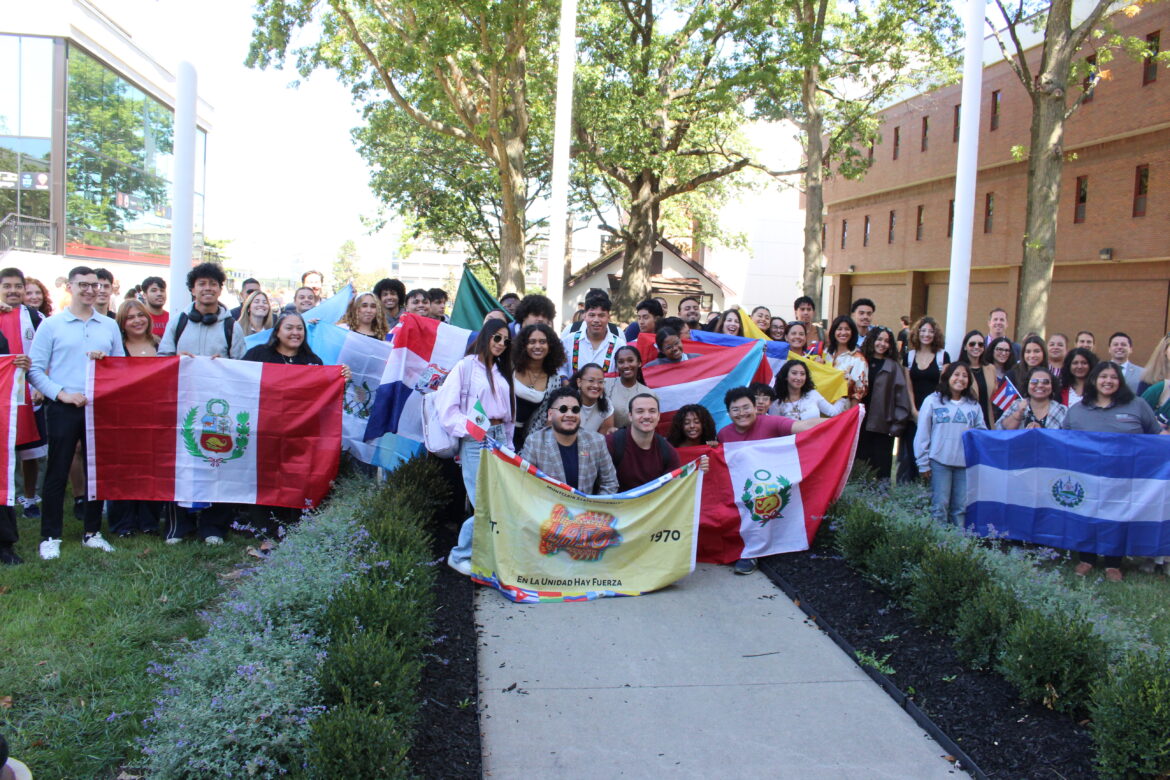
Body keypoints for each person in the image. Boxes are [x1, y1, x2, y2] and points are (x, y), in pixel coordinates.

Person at [28, 266, 125, 560]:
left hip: (99, 407)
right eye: (82, 284)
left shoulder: (108, 325)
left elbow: (120, 367)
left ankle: (92, 532)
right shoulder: (52, 325)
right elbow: (34, 369)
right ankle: (50, 536)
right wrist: (62, 394)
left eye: (94, 285)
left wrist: (105, 361)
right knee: (57, 471)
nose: (89, 290)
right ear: (70, 287)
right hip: (63, 405)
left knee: (97, 472)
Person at [157, 262, 247, 546]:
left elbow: (245, 368)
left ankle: (214, 527)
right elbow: (161, 360)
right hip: (183, 405)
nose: (207, 288)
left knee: (217, 461)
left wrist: (227, 367)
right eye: (201, 284)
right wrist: (176, 361)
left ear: (220, 289)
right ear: (192, 289)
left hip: (219, 409)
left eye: (213, 284)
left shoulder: (232, 326)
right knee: (181, 462)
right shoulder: (178, 321)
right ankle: (178, 526)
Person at [1064, 361, 1164, 582]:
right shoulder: (1078, 410)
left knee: (1118, 517)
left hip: (1125, 478)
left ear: (1120, 381)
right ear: (1093, 380)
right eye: (1103, 377)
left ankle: (1113, 563)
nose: (1108, 381)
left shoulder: (1137, 405)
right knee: (1087, 515)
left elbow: (1156, 438)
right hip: (1086, 477)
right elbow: (1063, 442)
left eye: (1113, 377)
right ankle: (1087, 559)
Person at [718, 387, 825, 574]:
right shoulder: (724, 435)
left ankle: (751, 553)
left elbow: (805, 426)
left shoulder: (772, 423)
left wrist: (842, 420)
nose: (742, 413)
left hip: (773, 487)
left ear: (756, 407)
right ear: (728, 413)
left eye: (746, 407)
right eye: (736, 409)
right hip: (743, 490)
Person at [441, 319, 516, 576]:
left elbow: (508, 416)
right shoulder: (465, 367)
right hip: (476, 438)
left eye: (506, 341)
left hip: (499, 438)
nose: (501, 344)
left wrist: (509, 446)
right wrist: (470, 430)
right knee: (484, 502)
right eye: (497, 338)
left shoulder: (501, 371)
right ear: (485, 336)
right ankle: (460, 553)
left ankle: (479, 554)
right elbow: (447, 408)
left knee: (498, 500)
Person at [914, 362, 985, 527]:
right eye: (956, 374)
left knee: (960, 508)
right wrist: (923, 463)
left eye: (965, 376)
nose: (960, 379)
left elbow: (981, 434)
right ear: (948, 377)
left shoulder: (973, 405)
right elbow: (923, 433)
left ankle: (957, 546)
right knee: (940, 506)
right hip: (939, 461)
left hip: (964, 464)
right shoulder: (933, 401)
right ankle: (937, 545)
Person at [520, 385, 618, 496]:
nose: (570, 415)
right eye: (563, 409)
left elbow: (610, 483)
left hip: (585, 511)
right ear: (550, 414)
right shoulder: (534, 442)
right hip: (547, 510)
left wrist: (593, 509)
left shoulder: (596, 441)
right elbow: (524, 482)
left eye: (575, 410)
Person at [899, 316, 950, 483]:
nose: (927, 334)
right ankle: (910, 492)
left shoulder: (943, 357)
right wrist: (914, 411)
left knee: (933, 453)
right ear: (917, 333)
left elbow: (943, 387)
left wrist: (929, 414)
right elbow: (908, 386)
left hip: (935, 412)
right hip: (914, 413)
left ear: (936, 334)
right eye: (923, 330)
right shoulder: (909, 356)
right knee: (912, 454)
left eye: (930, 331)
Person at [856, 326, 910, 480]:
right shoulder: (860, 362)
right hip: (860, 424)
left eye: (886, 341)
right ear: (871, 340)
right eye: (879, 339)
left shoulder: (893, 367)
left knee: (881, 473)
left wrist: (897, 425)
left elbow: (902, 398)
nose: (882, 344)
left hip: (883, 427)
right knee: (859, 470)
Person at [606, 393, 681, 492]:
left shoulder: (668, 452)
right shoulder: (610, 444)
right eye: (640, 411)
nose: (646, 416)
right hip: (615, 505)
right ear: (630, 416)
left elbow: (672, 492)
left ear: (658, 416)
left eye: (652, 411)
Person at [511, 322, 565, 451]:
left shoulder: (554, 380)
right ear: (524, 345)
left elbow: (549, 417)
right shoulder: (510, 368)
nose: (537, 346)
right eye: (532, 341)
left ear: (550, 346)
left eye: (542, 342)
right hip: (498, 432)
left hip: (528, 440)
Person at [560, 291, 625, 378]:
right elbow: (560, 368)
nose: (596, 320)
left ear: (608, 317)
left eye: (601, 315)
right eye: (592, 315)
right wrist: (565, 382)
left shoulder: (619, 345)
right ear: (585, 316)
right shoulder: (568, 341)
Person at [995, 366, 1068, 430]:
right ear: (1027, 385)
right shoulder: (1016, 405)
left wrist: (1042, 432)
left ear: (1052, 386)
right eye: (1034, 381)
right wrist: (1019, 413)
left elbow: (1066, 439)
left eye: (1045, 382)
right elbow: (999, 430)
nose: (1040, 385)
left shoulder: (1061, 410)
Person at [771, 359, 843, 420]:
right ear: (785, 376)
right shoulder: (777, 402)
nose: (799, 378)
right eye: (794, 373)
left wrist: (843, 394)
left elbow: (833, 412)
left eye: (802, 374)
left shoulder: (812, 394)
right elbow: (773, 428)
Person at [243, 312, 325, 365]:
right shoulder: (257, 355)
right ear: (277, 332)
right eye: (289, 328)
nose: (295, 333)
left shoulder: (314, 362)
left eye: (300, 328)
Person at [824, 314, 868, 403]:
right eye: (839, 329)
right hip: (822, 407)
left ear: (852, 332)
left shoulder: (858, 359)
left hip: (843, 410)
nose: (843, 333)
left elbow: (857, 393)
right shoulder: (825, 353)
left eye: (847, 329)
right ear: (833, 332)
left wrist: (850, 415)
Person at [605, 346, 651, 429]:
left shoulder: (648, 394)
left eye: (630, 360)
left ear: (639, 363)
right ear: (616, 365)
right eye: (621, 362)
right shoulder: (604, 385)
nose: (626, 365)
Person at [957, 329, 992, 426]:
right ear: (965, 347)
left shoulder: (990, 369)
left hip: (987, 420)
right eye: (972, 344)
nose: (976, 347)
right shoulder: (957, 369)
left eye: (980, 344)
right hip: (965, 421)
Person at [565, 363, 614, 434]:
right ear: (579, 382)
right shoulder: (565, 401)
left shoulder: (607, 404)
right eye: (591, 380)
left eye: (600, 382)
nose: (596, 385)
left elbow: (604, 438)